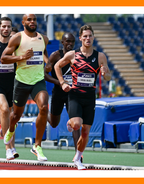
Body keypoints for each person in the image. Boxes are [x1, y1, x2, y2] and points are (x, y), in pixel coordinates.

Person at [54, 25, 111, 170]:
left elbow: (108, 77)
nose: (88, 38)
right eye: (85, 36)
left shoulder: (100, 56)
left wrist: (105, 73)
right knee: (77, 125)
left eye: (90, 36)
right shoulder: (72, 55)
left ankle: (78, 158)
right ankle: (71, 123)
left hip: (90, 97)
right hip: (75, 96)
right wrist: (62, 82)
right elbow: (56, 66)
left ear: (93, 37)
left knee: (85, 132)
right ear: (80, 38)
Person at [1, 14, 51, 161]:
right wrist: (21, 57)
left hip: (38, 81)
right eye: (29, 19)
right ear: (23, 22)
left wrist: (47, 62)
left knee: (43, 107)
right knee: (16, 116)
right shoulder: (17, 38)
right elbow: (4, 58)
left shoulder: (43, 38)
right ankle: (10, 129)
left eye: (34, 19)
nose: (32, 22)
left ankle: (37, 145)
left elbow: (44, 52)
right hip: (21, 82)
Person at [44, 32, 82, 161]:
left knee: (76, 123)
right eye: (67, 41)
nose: (70, 44)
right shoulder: (56, 55)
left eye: (72, 41)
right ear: (63, 43)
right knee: (54, 124)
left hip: (72, 93)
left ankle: (78, 155)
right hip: (58, 93)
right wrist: (60, 82)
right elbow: (45, 74)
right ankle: (44, 112)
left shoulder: (77, 55)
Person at [0, 16, 18, 160]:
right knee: (4, 108)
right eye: (3, 26)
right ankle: (7, 148)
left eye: (8, 27)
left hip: (12, 84)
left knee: (11, 117)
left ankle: (13, 146)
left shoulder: (15, 46)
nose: (6, 29)